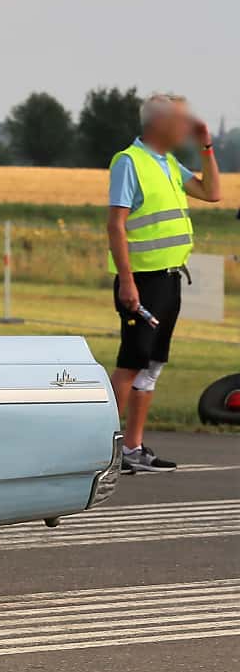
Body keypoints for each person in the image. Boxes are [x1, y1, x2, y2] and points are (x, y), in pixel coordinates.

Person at [107, 93, 220, 472]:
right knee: (131, 363)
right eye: (181, 121)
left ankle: (133, 449)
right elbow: (116, 223)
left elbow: (212, 192)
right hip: (141, 280)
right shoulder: (130, 162)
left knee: (152, 365)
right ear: (159, 124)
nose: (185, 127)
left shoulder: (168, 163)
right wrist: (126, 281)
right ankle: (104, 449)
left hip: (170, 279)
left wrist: (206, 145)